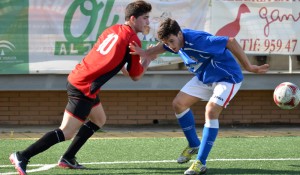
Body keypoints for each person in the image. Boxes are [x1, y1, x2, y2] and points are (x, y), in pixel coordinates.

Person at [9, 1, 153, 175]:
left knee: (99, 119)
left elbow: (112, 59)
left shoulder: (112, 29)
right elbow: (135, 77)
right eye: (145, 18)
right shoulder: (133, 39)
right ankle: (22, 156)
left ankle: (68, 157)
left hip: (81, 79)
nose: (148, 22)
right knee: (66, 132)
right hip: (84, 86)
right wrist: (147, 59)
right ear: (132, 19)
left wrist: (128, 62)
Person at [129, 18, 269, 175]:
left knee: (211, 111)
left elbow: (230, 41)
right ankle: (194, 144)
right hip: (205, 76)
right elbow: (163, 46)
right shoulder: (174, 42)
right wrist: (146, 53)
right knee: (178, 104)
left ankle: (200, 162)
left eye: (172, 41)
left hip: (227, 78)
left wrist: (248, 67)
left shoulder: (198, 40)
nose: (171, 46)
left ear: (180, 34)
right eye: (168, 43)